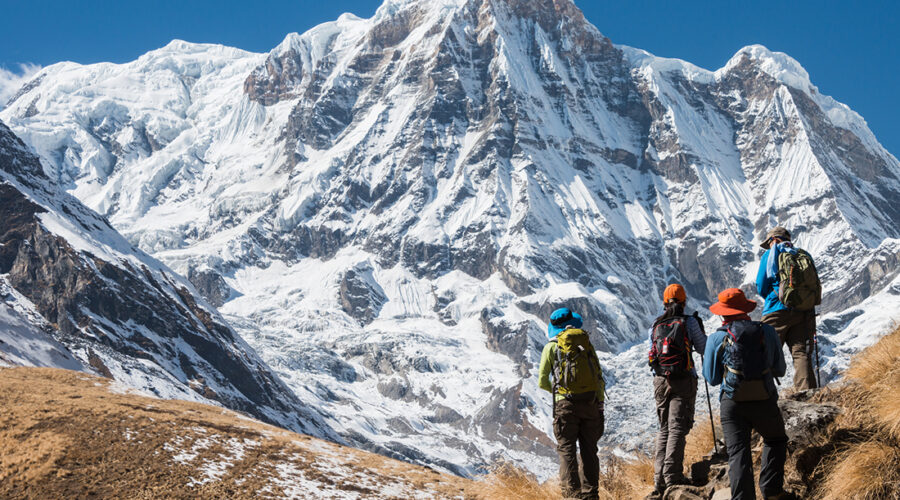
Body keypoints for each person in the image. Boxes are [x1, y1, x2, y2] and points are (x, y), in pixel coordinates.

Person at [703, 288, 789, 500]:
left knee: (738, 453)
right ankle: (772, 491)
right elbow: (780, 369)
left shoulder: (717, 338)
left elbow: (712, 379)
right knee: (775, 439)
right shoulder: (767, 331)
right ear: (746, 309)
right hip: (764, 398)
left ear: (722, 313)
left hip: (732, 403)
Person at [647, 284, 707, 498]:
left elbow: (653, 353)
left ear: (664, 302)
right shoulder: (688, 321)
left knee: (664, 427)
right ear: (684, 302)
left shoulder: (656, 325)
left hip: (661, 380)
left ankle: (659, 479)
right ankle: (673, 475)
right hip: (683, 379)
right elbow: (703, 348)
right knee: (677, 427)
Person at [538, 307, 605, 500]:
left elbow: (542, 381)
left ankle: (572, 496)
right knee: (589, 450)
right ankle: (591, 494)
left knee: (567, 450)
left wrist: (559, 391)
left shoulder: (551, 347)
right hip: (590, 403)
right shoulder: (586, 343)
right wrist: (599, 403)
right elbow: (598, 376)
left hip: (565, 405)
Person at [756, 226, 821, 390]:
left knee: (765, 353)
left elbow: (761, 285)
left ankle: (763, 396)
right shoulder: (802, 254)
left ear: (773, 240)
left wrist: (776, 297)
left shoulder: (771, 254)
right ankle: (807, 393)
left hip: (776, 311)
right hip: (803, 310)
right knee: (800, 353)